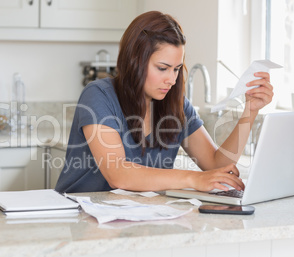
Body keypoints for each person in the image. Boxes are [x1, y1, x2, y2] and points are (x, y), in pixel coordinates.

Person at [55, 11, 273, 193]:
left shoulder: (176, 105)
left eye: (177, 69)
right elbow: (118, 175)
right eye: (162, 68)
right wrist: (193, 179)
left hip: (136, 217)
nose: (172, 79)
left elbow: (217, 166)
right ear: (134, 62)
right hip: (80, 216)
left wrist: (250, 111)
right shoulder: (99, 95)